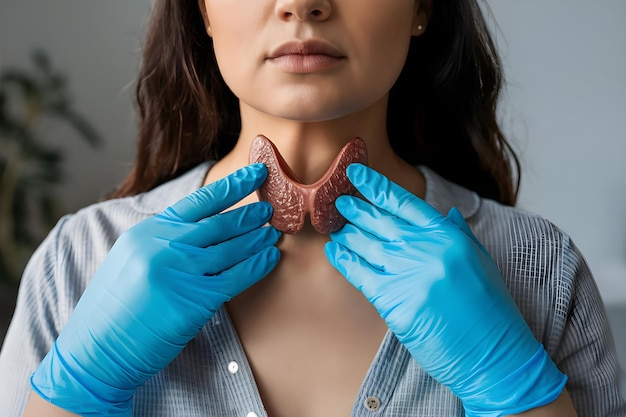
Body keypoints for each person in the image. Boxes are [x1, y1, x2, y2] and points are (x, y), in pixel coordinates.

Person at [1, 0, 624, 416]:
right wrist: (74, 393)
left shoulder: (541, 269)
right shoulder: (76, 261)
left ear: (423, 7)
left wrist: (518, 394)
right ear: (204, 11)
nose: (302, 2)